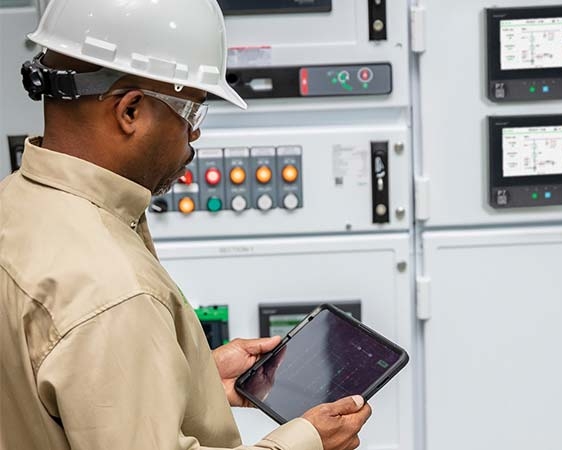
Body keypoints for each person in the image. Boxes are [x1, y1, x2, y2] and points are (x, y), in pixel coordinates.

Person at [0, 1, 371, 449]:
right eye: (192, 112)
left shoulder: (15, 207)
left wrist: (193, 379)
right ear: (130, 111)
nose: (194, 134)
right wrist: (306, 442)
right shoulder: (116, 294)